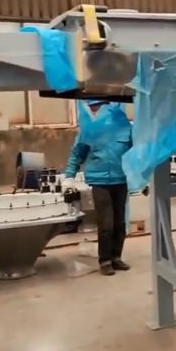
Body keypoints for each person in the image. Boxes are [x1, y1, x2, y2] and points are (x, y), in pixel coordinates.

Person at [63, 100, 133, 276]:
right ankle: (105, 261)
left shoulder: (125, 128)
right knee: (106, 223)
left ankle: (116, 257)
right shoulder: (90, 130)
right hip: (100, 181)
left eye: (98, 106)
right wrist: (69, 177)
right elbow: (78, 153)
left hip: (121, 180)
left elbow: (136, 153)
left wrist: (143, 176)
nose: (95, 110)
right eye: (93, 107)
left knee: (120, 223)